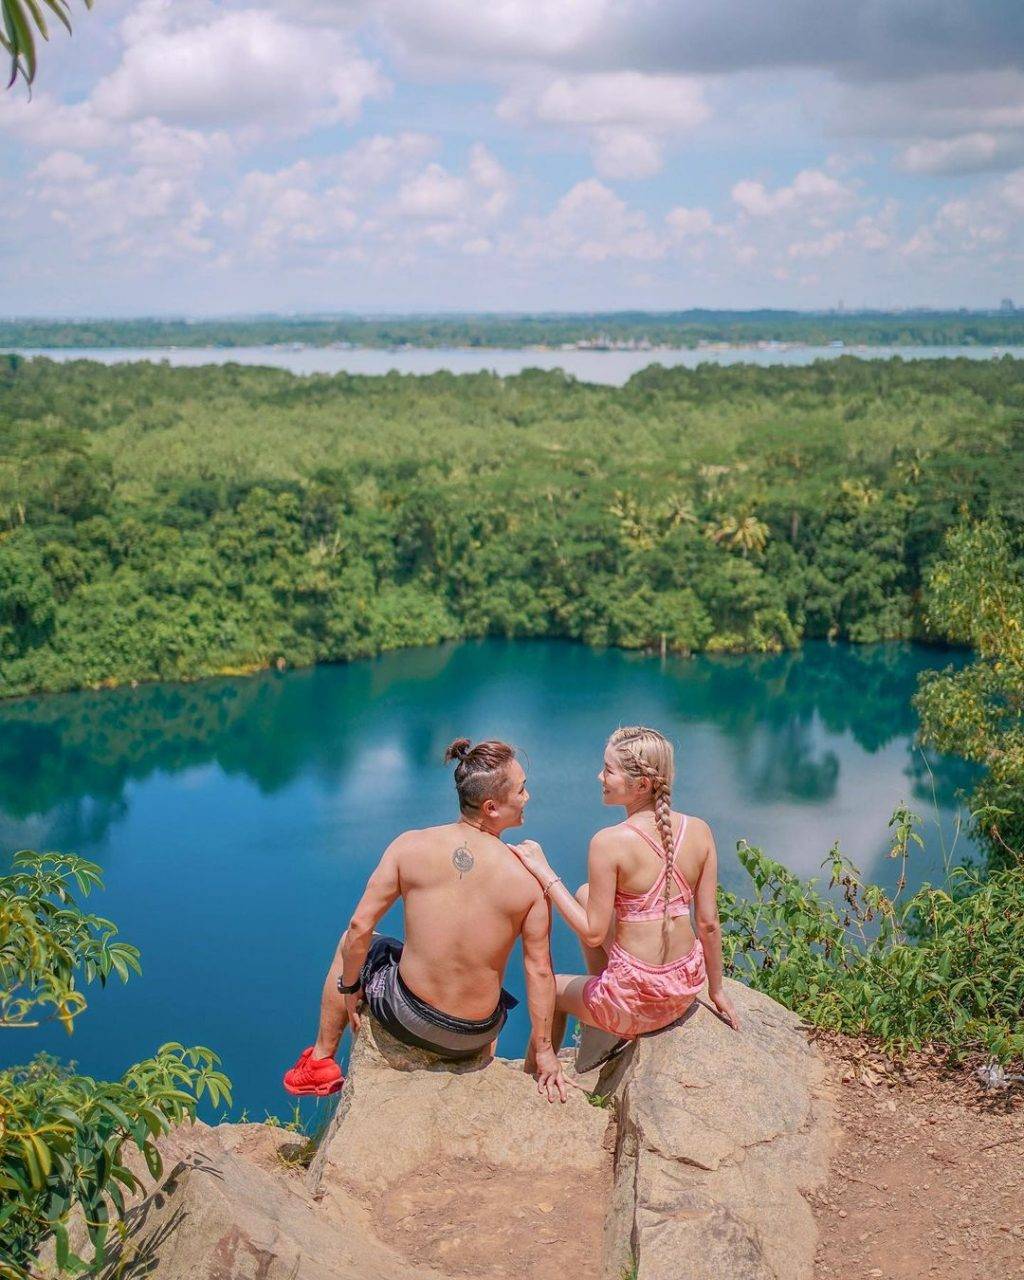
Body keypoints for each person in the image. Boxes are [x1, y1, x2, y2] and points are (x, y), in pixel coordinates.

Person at [283, 738, 567, 1102]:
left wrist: (350, 989)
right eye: (522, 789)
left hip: (407, 1018)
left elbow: (359, 927)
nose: (528, 796)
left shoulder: (410, 846)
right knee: (490, 988)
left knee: (353, 942)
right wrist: (544, 1051)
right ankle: (477, 1063)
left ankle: (321, 1060)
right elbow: (539, 970)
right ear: (491, 807)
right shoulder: (529, 880)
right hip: (475, 1034)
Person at [511, 725, 739, 1068]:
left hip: (636, 1008)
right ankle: (605, 1007)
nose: (599, 776)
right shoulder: (699, 830)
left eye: (609, 770)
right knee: (586, 894)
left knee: (550, 992)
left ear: (642, 784)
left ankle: (534, 1079)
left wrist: (545, 873)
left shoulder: (609, 842)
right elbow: (708, 923)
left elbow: (593, 933)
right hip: (683, 990)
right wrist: (716, 990)